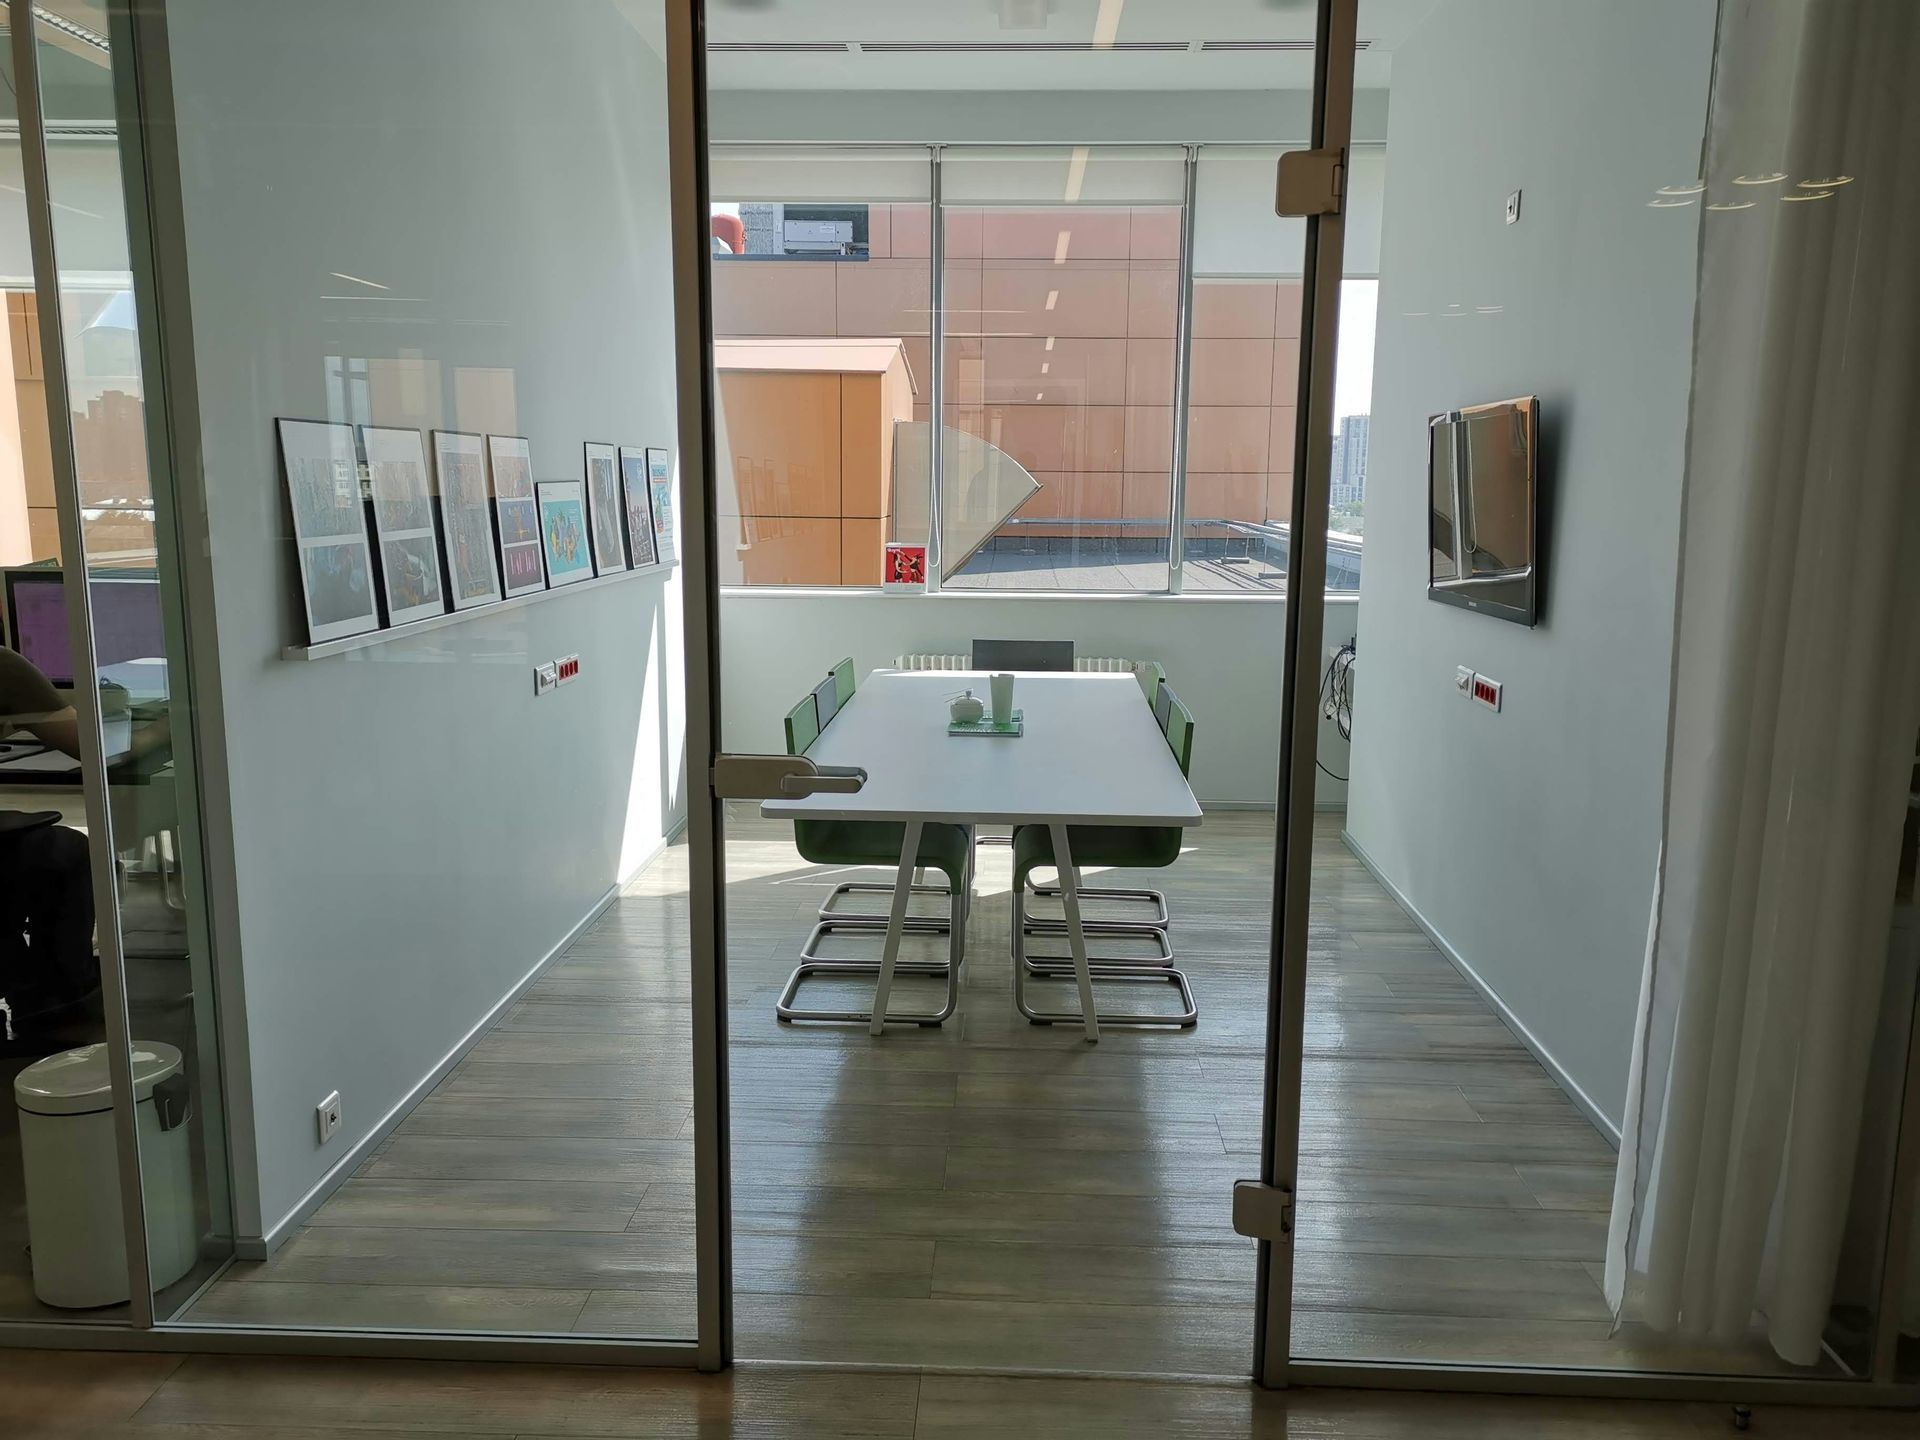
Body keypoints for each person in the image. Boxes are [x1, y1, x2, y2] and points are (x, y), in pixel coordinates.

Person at [0, 645, 96, 1041]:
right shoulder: (4, 668)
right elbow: (92, 747)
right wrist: (168, 721)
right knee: (66, 854)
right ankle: (54, 1008)